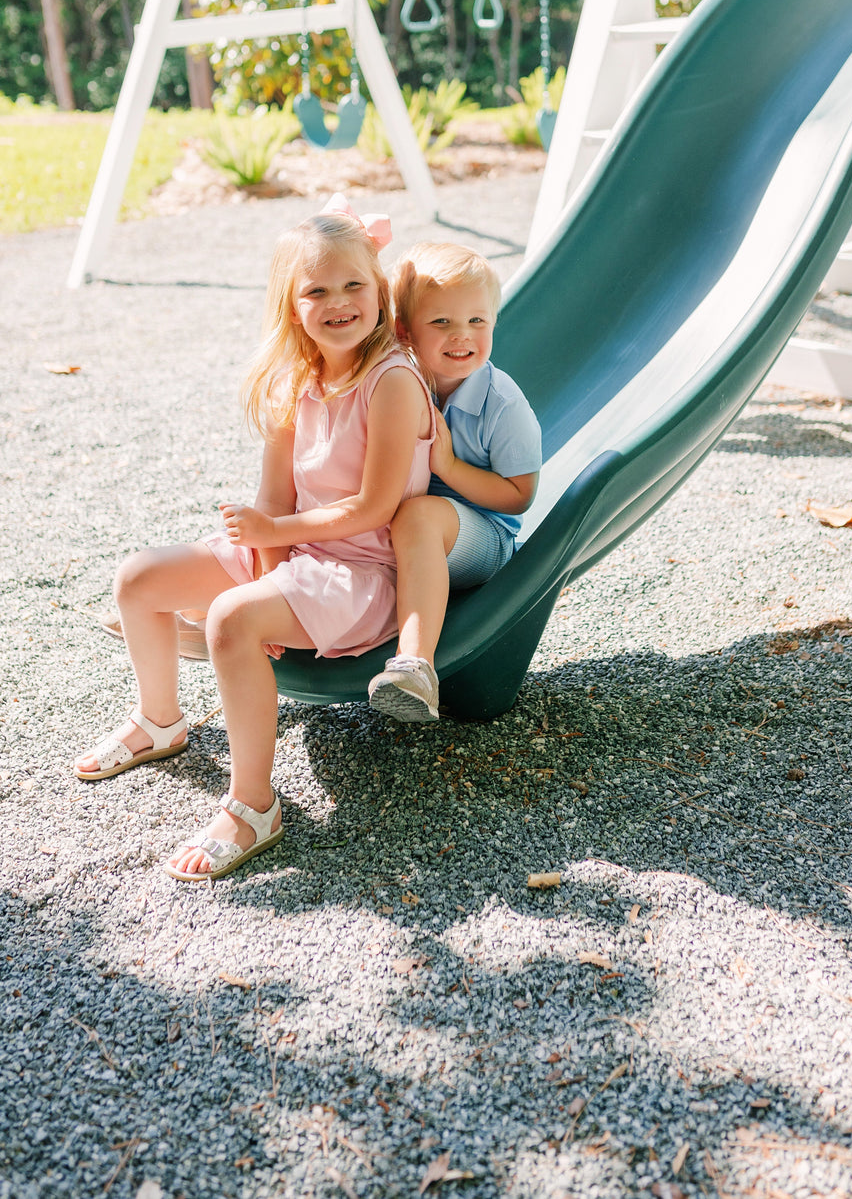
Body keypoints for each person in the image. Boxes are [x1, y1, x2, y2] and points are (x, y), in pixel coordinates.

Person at [74, 197, 434, 880]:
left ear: (379, 291)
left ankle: (253, 805)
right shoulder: (296, 383)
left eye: (354, 285)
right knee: (138, 579)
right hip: (296, 550)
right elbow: (272, 501)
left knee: (232, 619)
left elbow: (374, 506)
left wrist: (271, 565)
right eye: (317, 291)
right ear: (291, 305)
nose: (339, 302)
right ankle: (160, 721)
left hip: (359, 574)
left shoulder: (391, 381)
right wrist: (270, 565)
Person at [367, 243, 542, 723]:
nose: (462, 335)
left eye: (477, 321)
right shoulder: (399, 381)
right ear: (405, 331)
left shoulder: (502, 404)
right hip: (408, 531)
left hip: (484, 537)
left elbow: (519, 496)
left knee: (418, 516)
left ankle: (415, 666)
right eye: (441, 322)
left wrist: (448, 467)